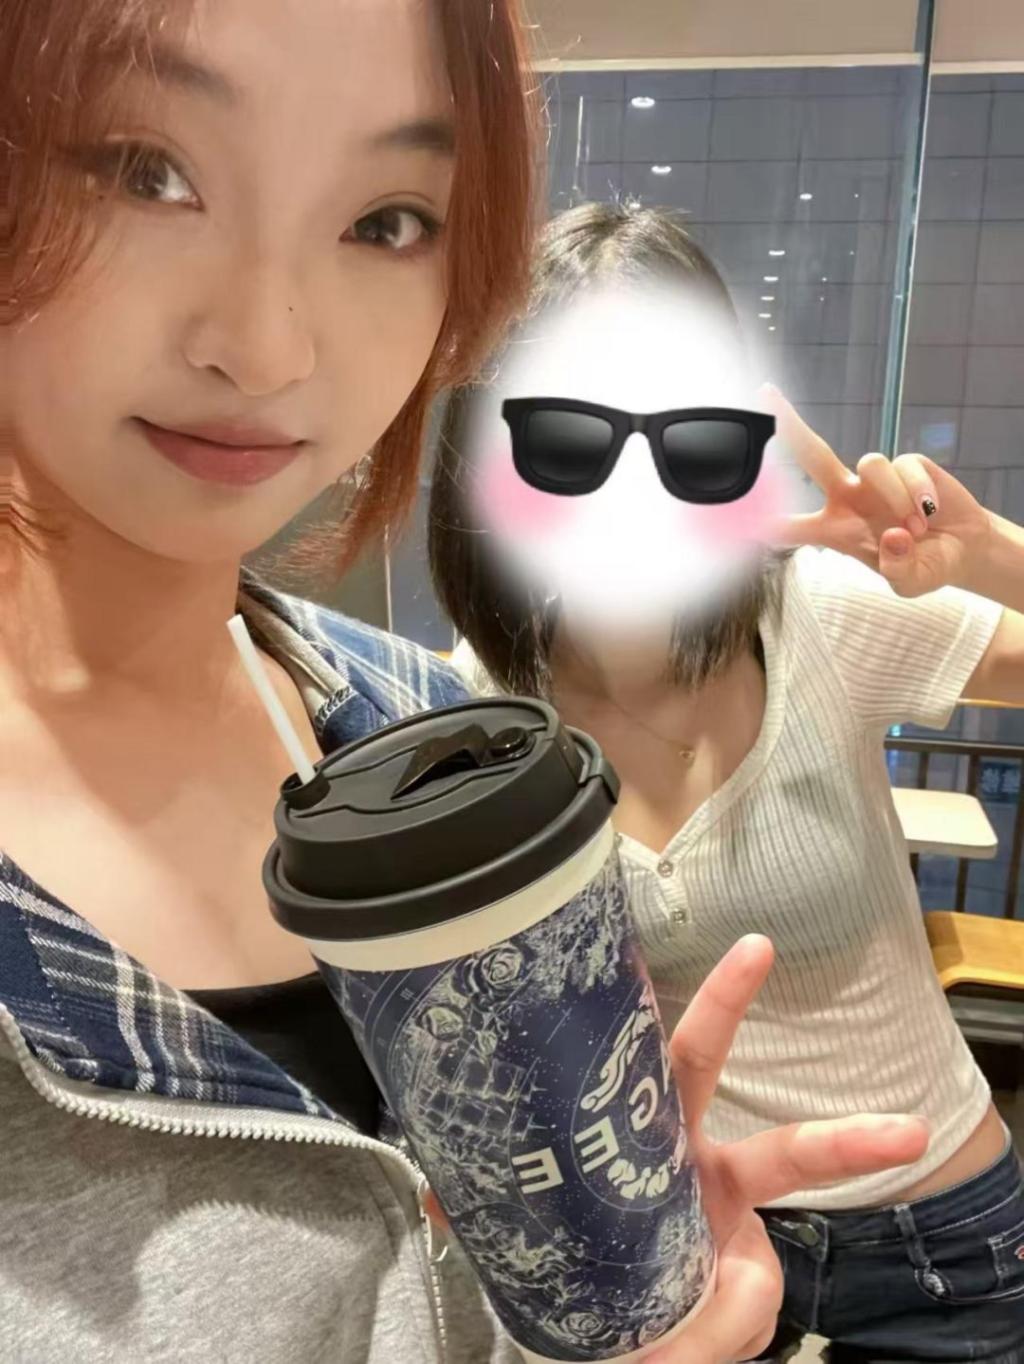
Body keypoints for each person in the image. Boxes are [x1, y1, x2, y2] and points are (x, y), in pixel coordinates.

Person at [0, 5, 933, 1362]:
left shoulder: (426, 737)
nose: (268, 347)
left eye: (387, 219)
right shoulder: (480, 684)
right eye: (149, 171)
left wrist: (619, 1312)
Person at [430, 201, 1024, 1363]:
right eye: (567, 435)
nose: (629, 484)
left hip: (941, 1245)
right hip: (683, 1247)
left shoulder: (820, 614)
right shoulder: (474, 710)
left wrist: (990, 554)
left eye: (686, 436)